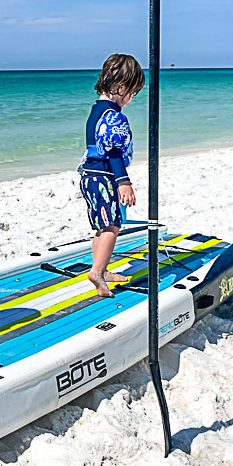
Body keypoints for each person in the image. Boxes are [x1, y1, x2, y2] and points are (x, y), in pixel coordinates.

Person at [79, 53, 146, 298]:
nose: (131, 99)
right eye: (132, 93)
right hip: (104, 176)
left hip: (89, 175)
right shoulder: (113, 116)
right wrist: (123, 181)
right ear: (120, 88)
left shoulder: (96, 110)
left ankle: (101, 268)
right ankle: (97, 272)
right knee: (111, 226)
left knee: (100, 225)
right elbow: (114, 152)